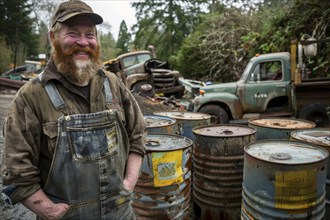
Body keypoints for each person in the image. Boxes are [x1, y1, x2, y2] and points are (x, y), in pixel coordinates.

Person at [1, 0, 146, 219]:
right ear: (54, 37)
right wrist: (48, 211)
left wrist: (130, 181)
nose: (83, 42)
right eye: (72, 34)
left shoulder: (113, 84)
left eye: (90, 34)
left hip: (121, 212)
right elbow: (16, 170)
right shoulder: (31, 96)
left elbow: (138, 134)